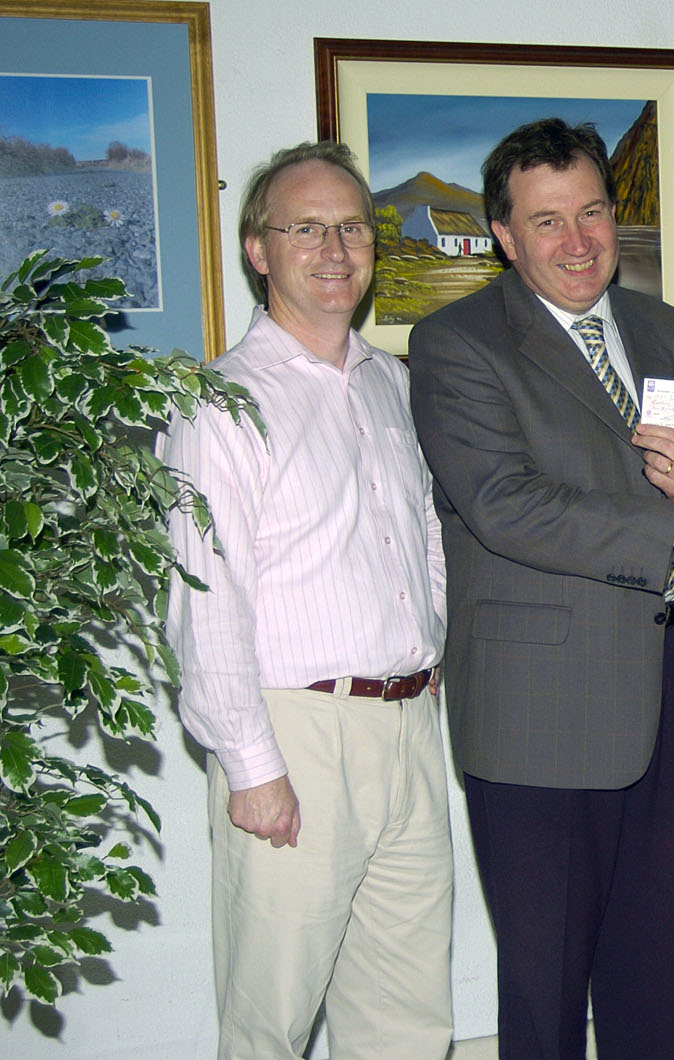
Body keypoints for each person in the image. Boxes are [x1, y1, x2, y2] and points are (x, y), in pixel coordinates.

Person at [407, 117, 674, 1060]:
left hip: (667, 686)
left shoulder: (666, 329)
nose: (578, 241)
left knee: (658, 974)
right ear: (506, 238)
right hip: (536, 714)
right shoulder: (455, 344)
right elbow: (504, 503)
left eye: (592, 211)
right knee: (547, 996)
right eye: (547, 221)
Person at [162, 141, 452, 1060]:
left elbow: (427, 540)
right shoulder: (219, 404)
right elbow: (203, 599)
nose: (336, 250)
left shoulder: (393, 386)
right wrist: (252, 766)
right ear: (258, 249)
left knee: (407, 1020)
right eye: (306, 229)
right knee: (271, 1023)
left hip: (407, 727)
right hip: (296, 738)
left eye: (353, 228)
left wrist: (428, 641)